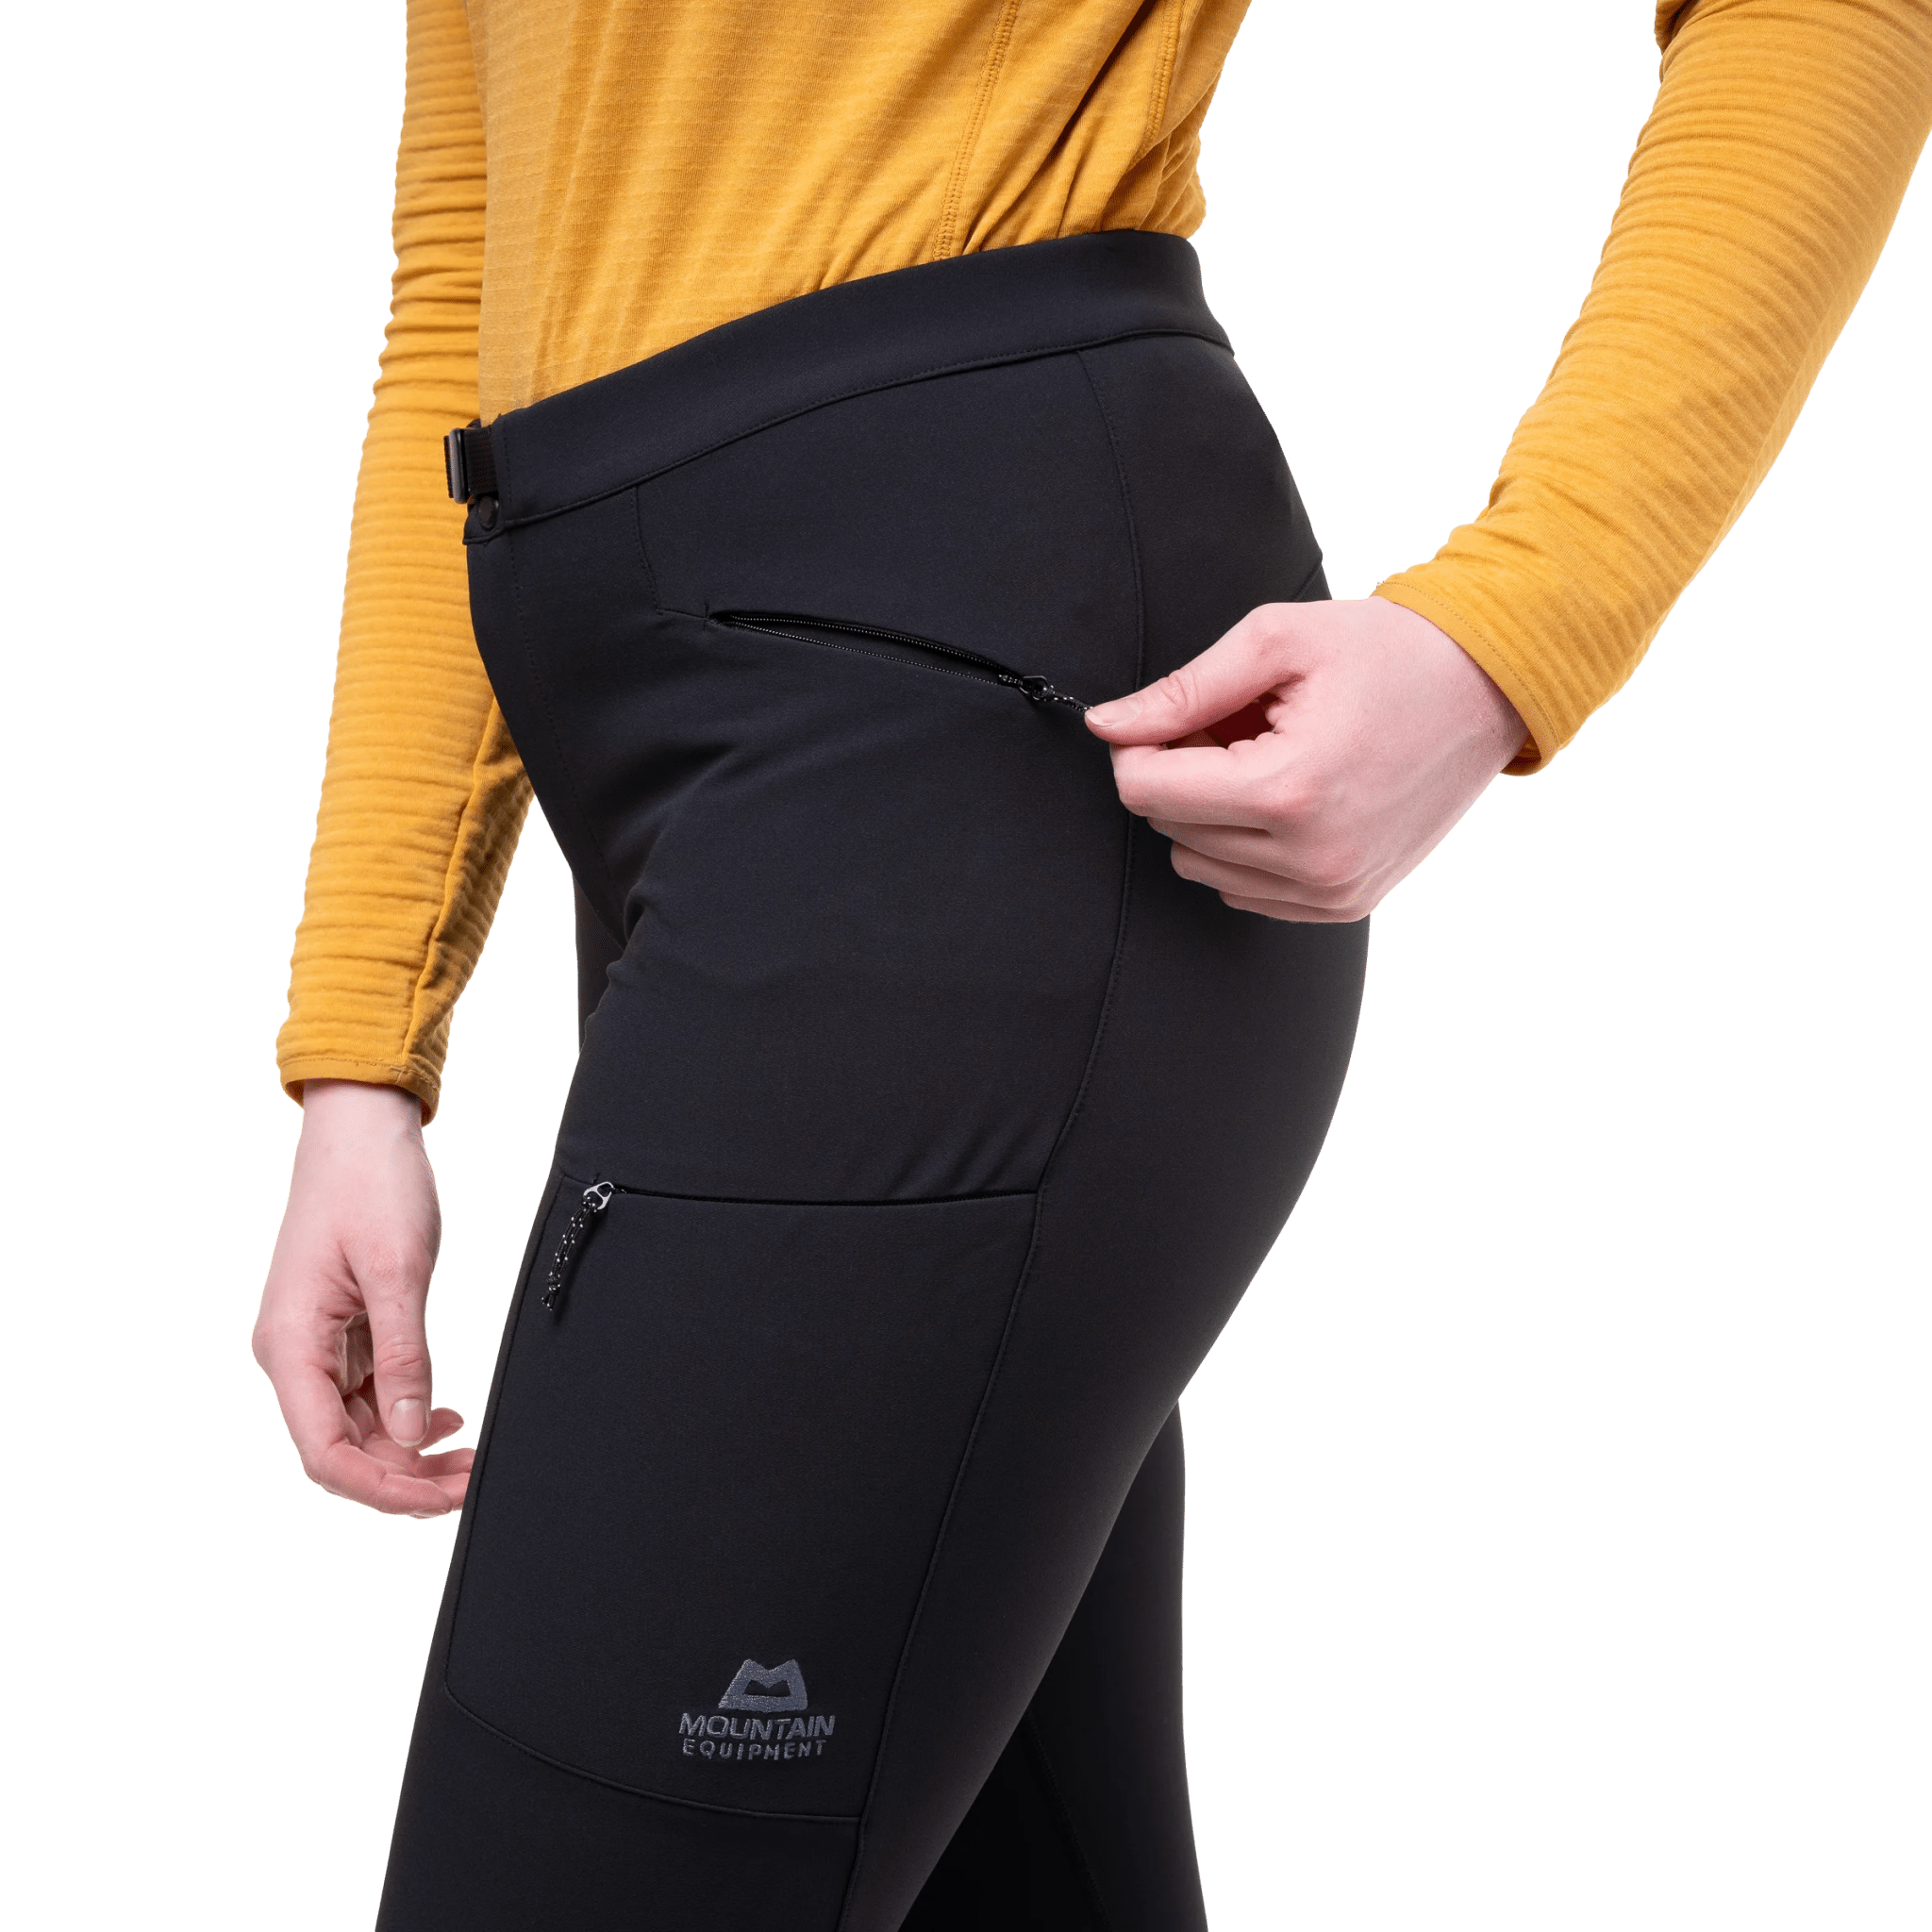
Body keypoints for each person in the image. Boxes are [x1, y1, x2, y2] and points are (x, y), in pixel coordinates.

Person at [251, 4, 1930, 1927]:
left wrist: (1510, 635)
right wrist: (362, 1049)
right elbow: (465, 284)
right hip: (703, 797)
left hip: (965, 739)